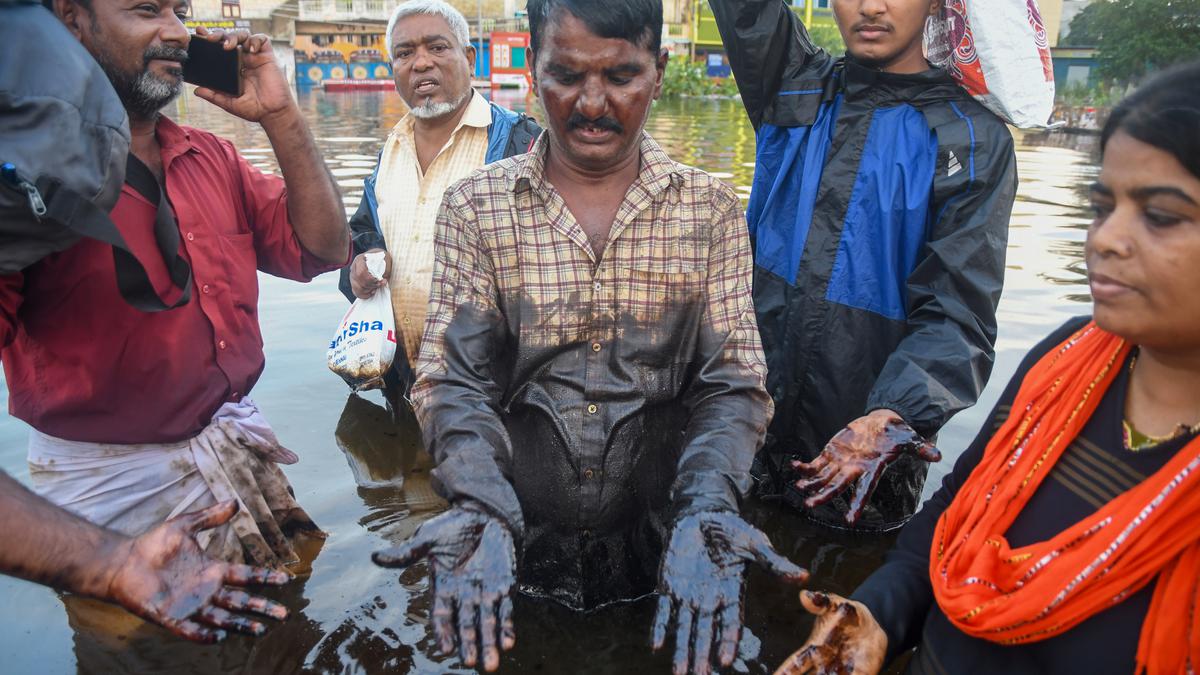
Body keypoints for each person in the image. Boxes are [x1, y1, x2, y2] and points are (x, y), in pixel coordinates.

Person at [370, 0, 808, 672]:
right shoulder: (476, 207)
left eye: (622, 76)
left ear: (658, 72)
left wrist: (708, 506)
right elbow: (453, 379)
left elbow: (733, 385)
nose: (593, 103)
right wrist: (481, 502)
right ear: (531, 71)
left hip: (666, 549)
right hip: (511, 546)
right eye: (566, 75)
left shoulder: (711, 209)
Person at [774, 62, 1200, 675]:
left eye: (1158, 215)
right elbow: (951, 522)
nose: (1106, 238)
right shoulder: (1067, 361)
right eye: (1103, 205)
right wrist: (876, 620)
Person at [0, 0, 349, 566]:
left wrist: (282, 117)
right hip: (106, 509)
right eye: (146, 10)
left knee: (287, 636)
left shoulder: (210, 155)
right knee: (143, 654)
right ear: (70, 20)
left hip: (229, 447)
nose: (178, 33)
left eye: (180, 11)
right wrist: (106, 569)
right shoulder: (25, 183)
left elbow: (326, 248)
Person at [708, 0, 1018, 530]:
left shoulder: (973, 140)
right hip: (744, 439)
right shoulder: (791, 84)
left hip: (868, 463)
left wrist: (893, 416)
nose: (871, 7)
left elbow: (958, 316)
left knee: (851, 595)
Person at [338, 0, 540, 395]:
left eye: (437, 47)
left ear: (469, 57)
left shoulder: (521, 143)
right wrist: (359, 268)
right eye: (404, 53)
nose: (421, 63)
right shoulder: (390, 151)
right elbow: (362, 235)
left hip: (490, 391)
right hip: (401, 379)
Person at [0, 471, 289, 642]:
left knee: (280, 633)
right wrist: (111, 563)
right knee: (148, 650)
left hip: (228, 441)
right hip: (104, 490)